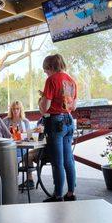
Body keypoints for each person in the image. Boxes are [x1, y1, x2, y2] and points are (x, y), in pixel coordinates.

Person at [38, 54, 77, 202]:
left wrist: (41, 101)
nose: (45, 72)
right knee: (69, 160)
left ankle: (58, 195)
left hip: (55, 122)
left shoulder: (51, 80)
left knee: (57, 162)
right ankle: (70, 193)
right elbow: (73, 106)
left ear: (50, 67)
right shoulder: (71, 81)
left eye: (45, 69)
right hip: (68, 120)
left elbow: (45, 108)